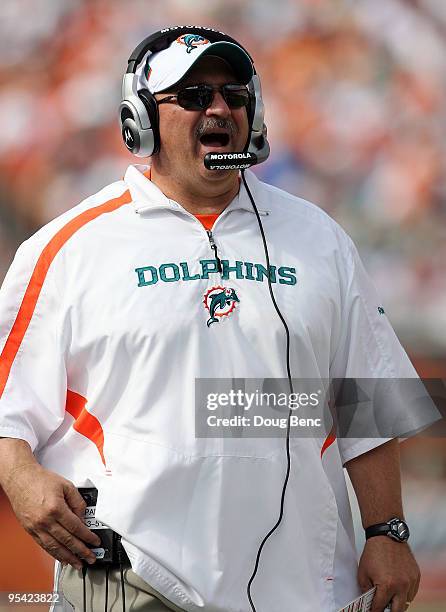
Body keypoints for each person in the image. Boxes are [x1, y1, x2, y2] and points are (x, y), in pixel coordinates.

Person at [0, 26, 421, 612]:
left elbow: (370, 399)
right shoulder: (68, 247)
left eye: (235, 94)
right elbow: (6, 408)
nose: (220, 108)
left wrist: (388, 531)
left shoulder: (321, 239)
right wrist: (19, 478)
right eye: (195, 95)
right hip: (131, 578)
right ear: (140, 120)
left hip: (299, 585)